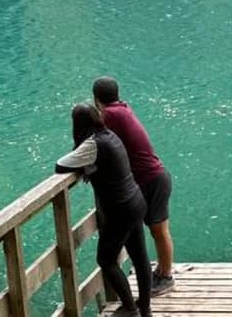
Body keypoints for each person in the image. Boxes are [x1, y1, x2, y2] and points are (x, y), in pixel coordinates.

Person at [55, 104, 153, 317]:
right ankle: (144, 308)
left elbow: (61, 165)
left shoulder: (93, 144)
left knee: (106, 260)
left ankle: (129, 308)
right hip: (136, 201)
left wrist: (84, 164)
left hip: (121, 209)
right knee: (140, 256)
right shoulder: (110, 135)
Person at [92, 76, 176, 295]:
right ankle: (160, 272)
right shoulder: (121, 109)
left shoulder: (110, 115)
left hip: (152, 179)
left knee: (159, 230)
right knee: (157, 230)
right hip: (154, 177)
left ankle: (166, 277)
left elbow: (95, 142)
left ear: (96, 99)